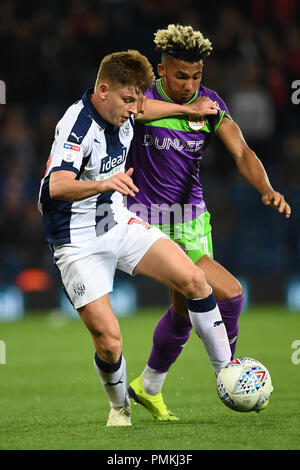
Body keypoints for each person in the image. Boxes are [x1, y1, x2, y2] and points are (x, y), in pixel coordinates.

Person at [38, 49, 233, 427]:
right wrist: (104, 183)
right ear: (104, 90)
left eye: (137, 99)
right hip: (77, 241)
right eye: (128, 99)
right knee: (110, 343)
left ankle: (227, 374)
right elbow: (56, 186)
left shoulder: (128, 108)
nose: (134, 109)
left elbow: (146, 110)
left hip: (117, 221)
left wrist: (189, 112)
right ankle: (119, 406)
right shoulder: (77, 125)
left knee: (195, 279)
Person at [125, 25, 291, 421]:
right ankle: (228, 374)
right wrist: (188, 110)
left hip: (193, 220)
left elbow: (242, 150)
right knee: (230, 294)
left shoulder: (210, 103)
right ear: (161, 70)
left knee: (184, 312)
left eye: (196, 76)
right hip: (149, 219)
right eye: (181, 76)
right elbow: (139, 112)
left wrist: (266, 188)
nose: (189, 85)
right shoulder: (143, 97)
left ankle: (147, 387)